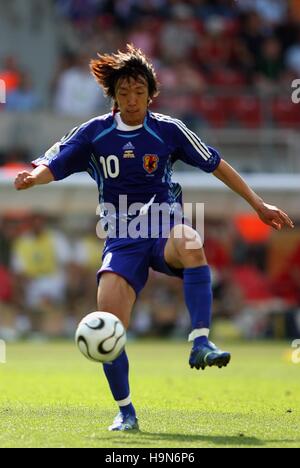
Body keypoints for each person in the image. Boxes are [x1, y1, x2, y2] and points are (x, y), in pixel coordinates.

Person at [14, 45, 294, 432]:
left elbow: (217, 165)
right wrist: (34, 176)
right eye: (124, 93)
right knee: (109, 326)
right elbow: (54, 161)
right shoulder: (94, 134)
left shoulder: (169, 130)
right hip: (121, 239)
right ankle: (126, 410)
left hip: (163, 228)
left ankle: (200, 342)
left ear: (151, 94)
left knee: (191, 240)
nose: (132, 101)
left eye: (139, 93)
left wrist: (259, 205)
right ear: (113, 95)